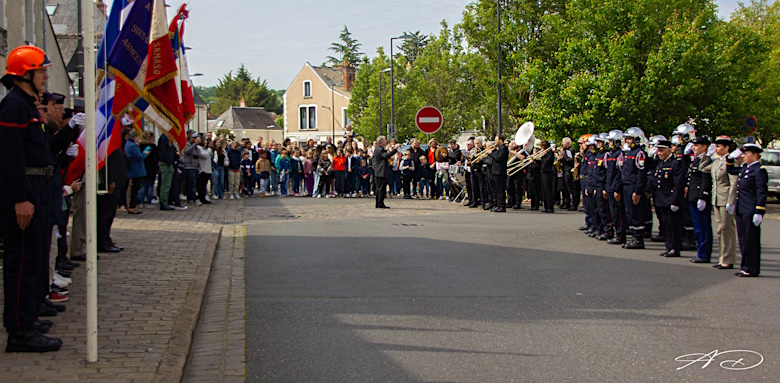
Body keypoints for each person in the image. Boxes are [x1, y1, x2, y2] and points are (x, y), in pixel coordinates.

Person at [0, 45, 71, 352]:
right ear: (25, 74)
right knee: (23, 262)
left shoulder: (27, 105)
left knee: (35, 258)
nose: (45, 76)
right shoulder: (15, 106)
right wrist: (19, 198)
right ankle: (20, 330)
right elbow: (11, 157)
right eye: (41, 71)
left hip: (37, 188)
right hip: (26, 190)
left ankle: (27, 319)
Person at [729, 143, 767, 277]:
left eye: (746, 154)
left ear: (755, 155)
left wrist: (759, 211)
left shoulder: (759, 170)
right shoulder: (745, 168)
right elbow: (731, 170)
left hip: (750, 209)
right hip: (741, 208)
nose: (743, 156)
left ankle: (752, 268)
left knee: (751, 240)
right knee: (743, 239)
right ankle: (745, 266)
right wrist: (729, 158)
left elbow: (761, 192)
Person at [701, 136, 739, 269]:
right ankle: (722, 257)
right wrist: (707, 155)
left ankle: (728, 259)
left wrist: (731, 201)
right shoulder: (717, 161)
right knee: (720, 229)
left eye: (718, 146)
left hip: (725, 199)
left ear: (727, 148)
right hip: (716, 198)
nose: (716, 149)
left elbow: (733, 183)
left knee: (727, 229)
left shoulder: (730, 161)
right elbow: (703, 168)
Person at [653, 138, 685, 257]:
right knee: (665, 225)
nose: (659, 153)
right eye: (658, 151)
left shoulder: (675, 163)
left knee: (673, 226)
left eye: (661, 151)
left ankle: (675, 248)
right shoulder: (660, 162)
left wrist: (675, 201)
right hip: (661, 199)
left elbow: (678, 184)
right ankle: (668, 246)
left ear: (669, 150)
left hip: (670, 199)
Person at [686, 136, 713, 263]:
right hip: (693, 196)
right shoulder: (695, 160)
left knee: (703, 226)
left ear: (704, 147)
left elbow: (705, 180)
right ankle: (700, 251)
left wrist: (703, 196)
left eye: (696, 145)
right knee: (697, 226)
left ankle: (704, 253)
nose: (694, 148)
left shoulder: (707, 160)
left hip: (700, 197)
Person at [621, 127, 648, 250]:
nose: (628, 141)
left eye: (630, 138)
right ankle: (633, 236)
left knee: (635, 212)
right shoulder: (629, 152)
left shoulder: (639, 153)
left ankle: (638, 238)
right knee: (629, 212)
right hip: (627, 185)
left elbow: (641, 174)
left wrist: (637, 191)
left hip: (633, 186)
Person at [605, 130, 626, 245]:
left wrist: (617, 189)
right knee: (613, 213)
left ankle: (620, 236)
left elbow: (619, 174)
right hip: (611, 187)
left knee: (618, 214)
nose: (609, 143)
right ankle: (616, 234)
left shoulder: (619, 155)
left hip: (616, 188)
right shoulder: (611, 154)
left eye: (611, 141)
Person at [125, 131, 150, 214]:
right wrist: (145, 153)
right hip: (136, 169)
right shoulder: (132, 146)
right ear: (135, 137)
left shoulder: (129, 144)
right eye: (138, 137)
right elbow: (139, 157)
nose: (139, 139)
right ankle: (132, 206)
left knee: (134, 188)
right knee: (135, 188)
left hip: (133, 168)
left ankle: (132, 206)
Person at [372, 136, 399, 208]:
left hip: (379, 171)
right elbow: (386, 156)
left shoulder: (378, 148)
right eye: (385, 140)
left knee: (379, 188)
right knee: (381, 188)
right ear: (381, 142)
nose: (386, 141)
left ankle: (379, 203)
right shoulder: (380, 149)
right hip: (381, 171)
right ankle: (380, 203)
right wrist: (395, 150)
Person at [137, 131, 158, 208]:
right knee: (150, 186)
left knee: (143, 185)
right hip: (151, 168)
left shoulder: (140, 145)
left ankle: (141, 202)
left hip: (142, 167)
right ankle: (148, 203)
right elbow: (157, 156)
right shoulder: (152, 146)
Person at [157, 131, 177, 210]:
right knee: (166, 184)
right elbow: (163, 152)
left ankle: (165, 201)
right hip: (166, 163)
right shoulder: (164, 138)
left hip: (168, 162)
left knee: (167, 184)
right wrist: (168, 161)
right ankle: (163, 202)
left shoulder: (167, 138)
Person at [489, 135, 509, 212]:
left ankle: (502, 206)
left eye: (496, 140)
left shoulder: (504, 148)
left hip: (500, 172)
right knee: (497, 190)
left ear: (501, 140)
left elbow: (498, 158)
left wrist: (491, 153)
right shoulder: (498, 149)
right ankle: (498, 205)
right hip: (495, 171)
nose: (495, 142)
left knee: (500, 190)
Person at [181, 132, 201, 204]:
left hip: (195, 167)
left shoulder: (197, 148)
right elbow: (187, 151)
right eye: (194, 138)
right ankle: (193, 198)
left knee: (193, 184)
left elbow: (198, 156)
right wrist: (195, 144)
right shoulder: (188, 145)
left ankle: (190, 198)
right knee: (191, 183)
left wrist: (199, 166)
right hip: (189, 167)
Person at [559, 137, 576, 210]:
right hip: (563, 170)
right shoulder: (564, 150)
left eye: (564, 142)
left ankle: (574, 204)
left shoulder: (571, 150)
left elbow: (571, 160)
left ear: (568, 143)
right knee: (564, 188)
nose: (562, 144)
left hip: (569, 171)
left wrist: (563, 156)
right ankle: (566, 202)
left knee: (570, 189)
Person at [195, 136, 213, 205]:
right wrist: (209, 149)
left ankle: (203, 197)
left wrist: (209, 149)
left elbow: (210, 155)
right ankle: (201, 198)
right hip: (203, 169)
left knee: (204, 184)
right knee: (201, 185)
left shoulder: (204, 149)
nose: (205, 143)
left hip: (207, 169)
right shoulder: (199, 148)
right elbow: (205, 155)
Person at [539, 141, 556, 213]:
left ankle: (550, 207)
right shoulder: (546, 154)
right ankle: (546, 206)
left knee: (548, 190)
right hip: (543, 172)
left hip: (548, 173)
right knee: (544, 190)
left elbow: (547, 161)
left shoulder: (550, 153)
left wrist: (543, 156)